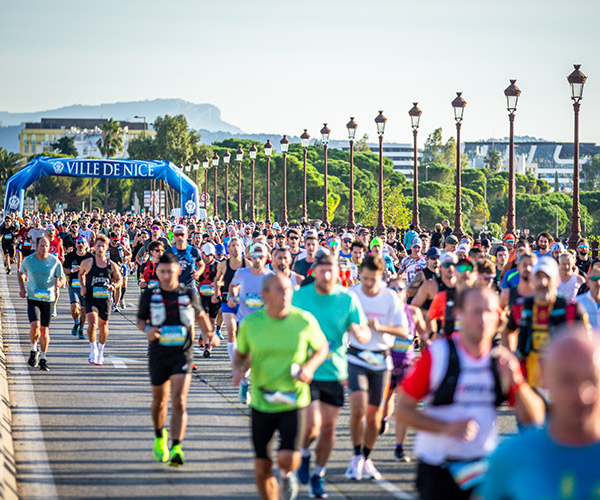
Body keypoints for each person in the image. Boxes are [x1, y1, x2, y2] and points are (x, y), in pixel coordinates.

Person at [396, 287, 544, 500]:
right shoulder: (438, 355)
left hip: (481, 465)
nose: (483, 319)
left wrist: (517, 382)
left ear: (498, 317)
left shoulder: (501, 361)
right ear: (459, 314)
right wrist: (446, 428)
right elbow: (402, 411)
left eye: (489, 312)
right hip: (439, 466)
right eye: (476, 311)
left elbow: (534, 417)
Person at [233, 273, 328, 500]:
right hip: (262, 400)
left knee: (286, 458)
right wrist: (239, 369)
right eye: (278, 290)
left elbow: (321, 347)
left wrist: (310, 367)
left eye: (287, 289)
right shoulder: (251, 324)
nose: (285, 294)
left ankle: (287, 475)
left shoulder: (303, 321)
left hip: (293, 398)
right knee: (262, 467)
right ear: (264, 295)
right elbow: (241, 355)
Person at [480, 328, 600, 500]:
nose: (582, 394)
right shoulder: (511, 457)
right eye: (567, 379)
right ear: (544, 375)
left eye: (592, 379)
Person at [292, 251, 370, 499]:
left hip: (335, 371)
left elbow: (364, 331)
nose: (326, 275)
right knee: (312, 426)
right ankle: (304, 454)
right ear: (314, 271)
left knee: (328, 428)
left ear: (338, 273)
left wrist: (359, 332)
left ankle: (319, 474)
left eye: (331, 270)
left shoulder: (347, 299)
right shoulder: (300, 297)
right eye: (322, 270)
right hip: (307, 370)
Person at [137, 252, 218, 467]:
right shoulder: (150, 294)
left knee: (179, 400)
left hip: (182, 352)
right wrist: (147, 329)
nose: (165, 276)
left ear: (178, 271)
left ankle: (177, 447)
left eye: (169, 272)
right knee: (159, 401)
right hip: (158, 352)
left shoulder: (188, 294)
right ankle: (158, 436)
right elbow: (139, 319)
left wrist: (210, 334)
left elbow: (201, 316)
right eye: (162, 272)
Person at [345, 255, 408, 481]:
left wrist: (381, 327)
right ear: (360, 274)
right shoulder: (352, 295)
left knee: (374, 418)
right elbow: (340, 323)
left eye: (373, 279)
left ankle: (366, 457)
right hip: (356, 356)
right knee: (358, 407)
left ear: (381, 276)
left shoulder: (390, 297)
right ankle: (354, 456)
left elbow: (403, 331)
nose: (369, 283)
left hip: (381, 359)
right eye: (365, 278)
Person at [228, 243, 273, 403]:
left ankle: (260, 387)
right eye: (254, 256)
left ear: (266, 258)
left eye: (261, 256)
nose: (257, 259)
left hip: (264, 323)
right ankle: (244, 384)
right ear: (250, 256)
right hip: (244, 321)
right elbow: (233, 286)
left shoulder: (269, 276)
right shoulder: (242, 273)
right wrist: (232, 297)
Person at [18, 235, 65, 372]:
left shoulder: (54, 261)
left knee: (44, 332)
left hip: (48, 299)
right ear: (36, 247)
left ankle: (43, 358)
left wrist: (59, 282)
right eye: (42, 246)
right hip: (33, 297)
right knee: (35, 327)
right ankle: (33, 349)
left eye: (46, 246)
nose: (45, 248)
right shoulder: (29, 261)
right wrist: (22, 288)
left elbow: (62, 277)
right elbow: (20, 273)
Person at [79, 235, 123, 365]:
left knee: (103, 327)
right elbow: (81, 274)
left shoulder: (112, 265)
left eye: (103, 246)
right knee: (92, 324)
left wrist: (113, 286)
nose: (100, 248)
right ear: (94, 247)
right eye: (98, 246)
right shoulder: (87, 263)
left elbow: (120, 280)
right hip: (91, 298)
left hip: (105, 299)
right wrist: (82, 286)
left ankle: (100, 349)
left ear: (107, 248)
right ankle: (93, 349)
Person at [63, 236, 93, 339]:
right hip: (74, 285)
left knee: (84, 310)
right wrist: (72, 271)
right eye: (78, 243)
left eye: (82, 243)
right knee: (74, 308)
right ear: (76, 245)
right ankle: (76, 322)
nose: (80, 245)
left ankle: (81, 329)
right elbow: (64, 269)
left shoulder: (90, 257)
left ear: (86, 245)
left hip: (86, 286)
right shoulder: (71, 256)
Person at [197, 242, 221, 357]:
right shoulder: (198, 264)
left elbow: (225, 281)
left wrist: (216, 283)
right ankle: (207, 346)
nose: (208, 257)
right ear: (202, 254)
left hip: (214, 296)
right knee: (204, 318)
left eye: (211, 255)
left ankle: (207, 341)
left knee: (211, 321)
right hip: (202, 296)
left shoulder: (218, 265)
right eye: (206, 255)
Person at [165, 224, 203, 289]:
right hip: (174, 286)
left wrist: (198, 273)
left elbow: (202, 264)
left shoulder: (194, 251)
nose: (179, 237)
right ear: (174, 236)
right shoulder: (168, 252)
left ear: (187, 235)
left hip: (190, 286)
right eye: (177, 235)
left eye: (182, 234)